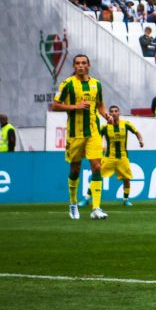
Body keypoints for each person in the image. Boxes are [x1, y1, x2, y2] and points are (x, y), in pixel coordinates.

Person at [51, 54, 109, 220]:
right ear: (74, 66)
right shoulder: (67, 84)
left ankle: (96, 208)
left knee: (97, 167)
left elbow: (100, 105)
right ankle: (73, 202)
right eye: (77, 63)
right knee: (75, 169)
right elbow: (55, 105)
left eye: (84, 63)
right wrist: (75, 106)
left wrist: (107, 116)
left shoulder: (96, 84)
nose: (81, 66)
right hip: (75, 134)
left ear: (89, 65)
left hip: (93, 132)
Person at [99, 105, 144, 206]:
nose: (114, 113)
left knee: (126, 179)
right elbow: (97, 138)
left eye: (116, 111)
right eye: (112, 112)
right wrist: (100, 148)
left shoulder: (126, 124)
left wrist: (140, 140)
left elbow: (137, 132)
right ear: (109, 114)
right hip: (109, 157)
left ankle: (125, 199)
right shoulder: (104, 127)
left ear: (119, 113)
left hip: (123, 157)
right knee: (97, 176)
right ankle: (87, 198)